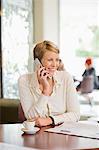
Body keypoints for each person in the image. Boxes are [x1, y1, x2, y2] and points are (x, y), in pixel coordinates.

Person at [18, 40, 80, 127]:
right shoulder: (24, 81)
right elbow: (30, 117)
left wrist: (50, 120)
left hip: (63, 135)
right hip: (37, 135)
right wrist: (45, 92)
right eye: (50, 60)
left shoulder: (66, 78)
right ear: (37, 62)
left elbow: (75, 114)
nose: (55, 65)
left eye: (57, 60)